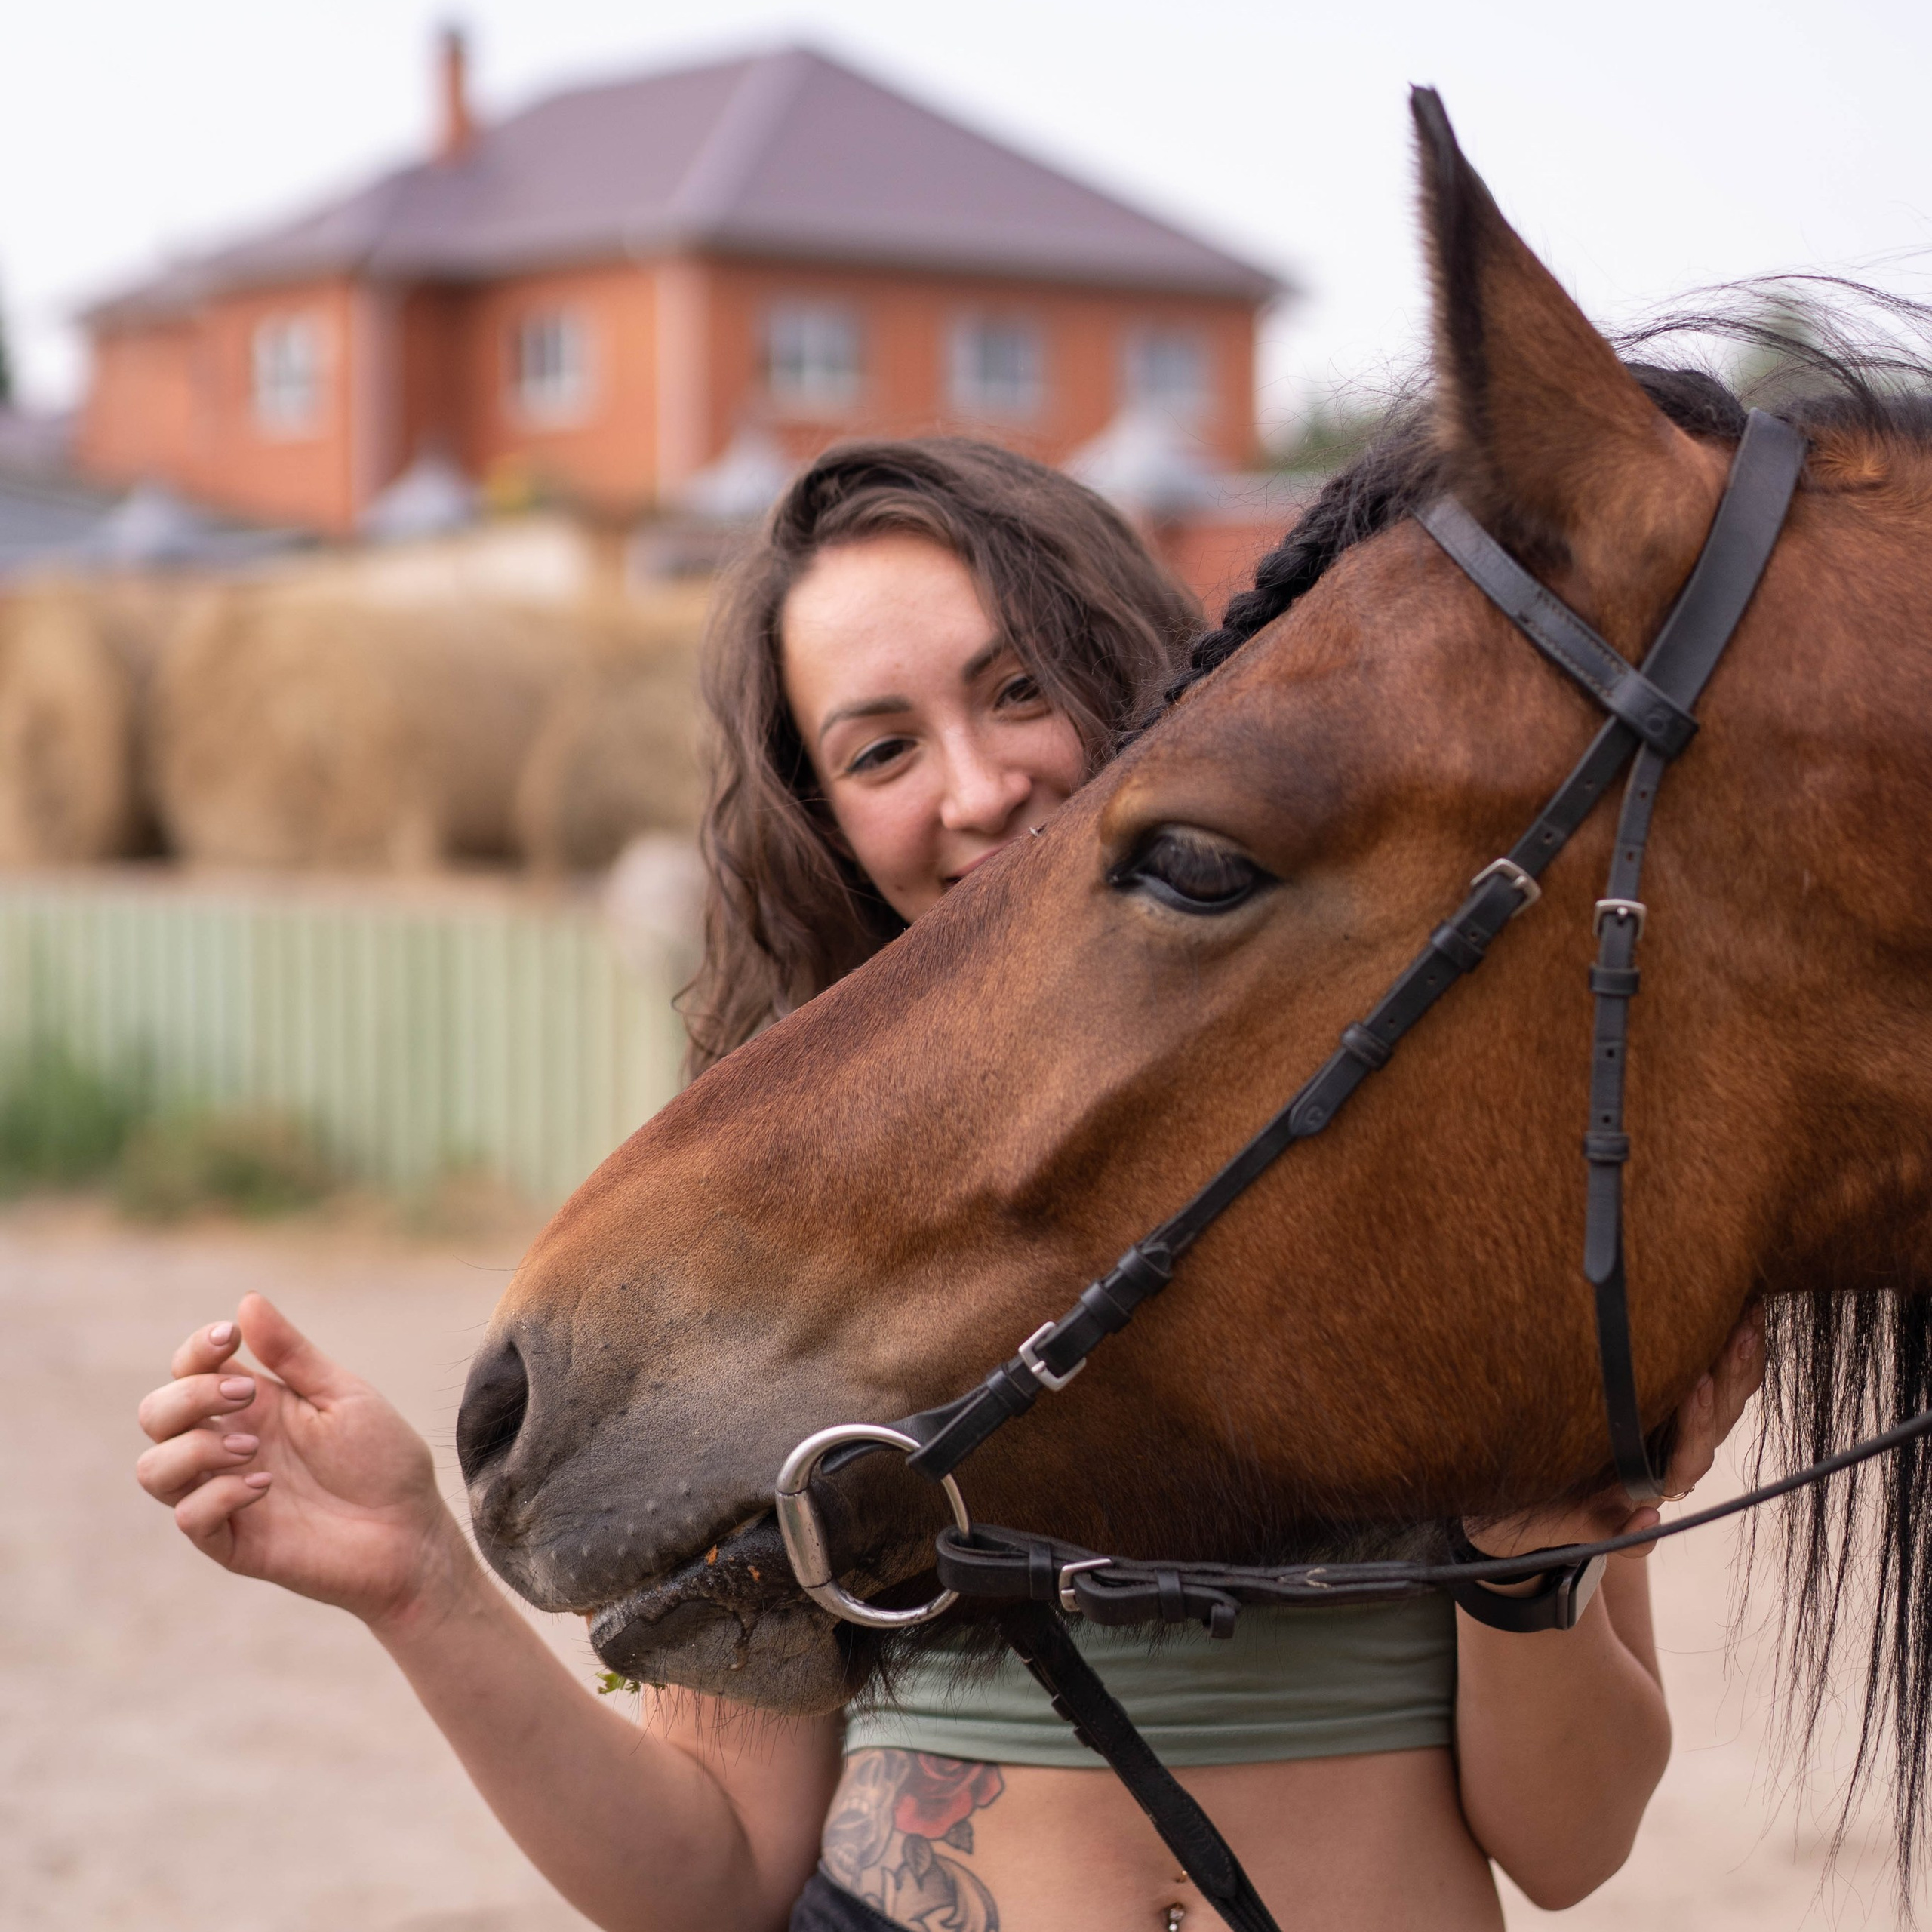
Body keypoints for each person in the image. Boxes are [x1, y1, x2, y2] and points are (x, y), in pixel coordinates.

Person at [135, 437, 1764, 1932]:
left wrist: (1527, 1535)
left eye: (1014, 687)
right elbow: (713, 1868)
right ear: (823, 818)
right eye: (881, 747)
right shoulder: (784, 1232)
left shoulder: (1403, 1117)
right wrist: (420, 1577)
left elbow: (1566, 1839)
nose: (977, 788)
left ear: (1138, 668)